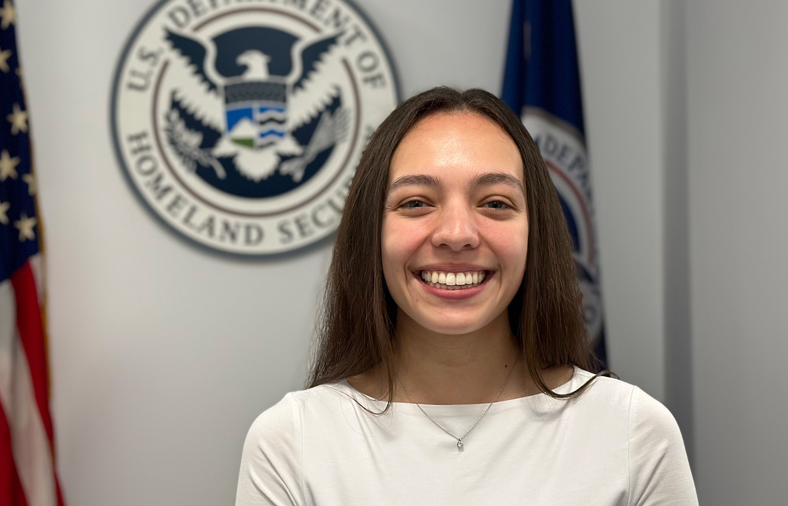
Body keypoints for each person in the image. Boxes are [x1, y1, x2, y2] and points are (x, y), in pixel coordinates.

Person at [235, 87, 698, 505]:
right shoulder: (291, 441)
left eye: (495, 203)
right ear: (369, 233)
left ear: (536, 233)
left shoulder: (633, 432)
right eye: (416, 202)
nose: (457, 234)